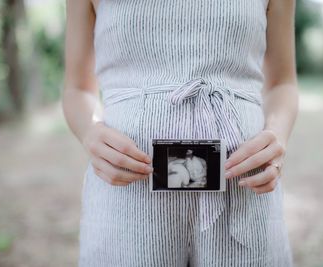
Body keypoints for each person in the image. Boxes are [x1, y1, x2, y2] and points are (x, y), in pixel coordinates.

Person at [63, 0, 299, 266]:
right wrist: (89, 132)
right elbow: (77, 88)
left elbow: (283, 82)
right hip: (126, 197)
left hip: (244, 195)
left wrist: (277, 135)